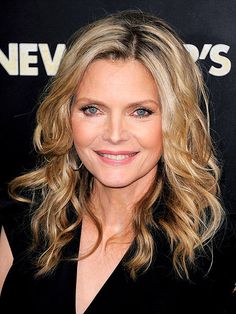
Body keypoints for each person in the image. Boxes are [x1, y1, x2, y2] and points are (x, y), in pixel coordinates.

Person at [0, 9, 235, 314]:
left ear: (175, 121)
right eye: (92, 109)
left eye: (140, 112)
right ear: (66, 115)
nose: (114, 134)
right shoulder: (26, 223)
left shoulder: (212, 252)